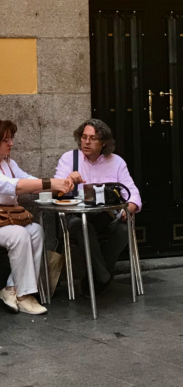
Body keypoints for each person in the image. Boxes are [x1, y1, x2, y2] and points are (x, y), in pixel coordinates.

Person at [0, 118, 79, 315]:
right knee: (20, 234)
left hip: (5, 220)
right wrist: (54, 183)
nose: (11, 143)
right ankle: (25, 296)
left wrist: (60, 183)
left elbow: (28, 180)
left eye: (11, 139)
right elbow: (14, 186)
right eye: (5, 140)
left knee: (35, 230)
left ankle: (11, 289)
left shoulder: (8, 163)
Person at [54, 118, 142, 294]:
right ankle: (104, 276)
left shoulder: (116, 162)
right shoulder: (70, 159)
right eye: (84, 137)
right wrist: (69, 180)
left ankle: (97, 274)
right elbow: (55, 192)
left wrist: (130, 208)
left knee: (125, 228)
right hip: (76, 218)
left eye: (93, 138)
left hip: (106, 218)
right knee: (82, 226)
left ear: (103, 143)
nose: (86, 142)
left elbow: (132, 193)